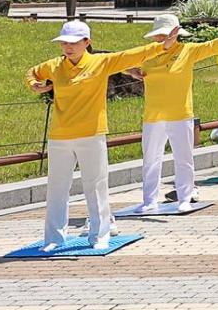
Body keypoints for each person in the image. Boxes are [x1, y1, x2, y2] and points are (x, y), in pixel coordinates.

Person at [25, 20, 162, 250]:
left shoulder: (101, 62)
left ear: (87, 42)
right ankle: (54, 239)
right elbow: (32, 72)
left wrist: (163, 45)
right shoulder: (54, 66)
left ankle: (100, 236)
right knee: (57, 187)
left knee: (96, 185)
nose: (68, 47)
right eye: (64, 43)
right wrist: (33, 84)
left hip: (91, 134)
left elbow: (132, 55)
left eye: (73, 42)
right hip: (60, 136)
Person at [126, 14, 218, 213]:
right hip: (153, 116)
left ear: (176, 34)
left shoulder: (187, 51)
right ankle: (149, 200)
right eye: (159, 35)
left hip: (180, 114)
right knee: (151, 159)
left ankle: (184, 198)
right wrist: (131, 71)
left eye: (165, 35)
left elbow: (213, 46)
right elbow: (118, 61)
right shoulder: (147, 53)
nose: (161, 39)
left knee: (183, 158)